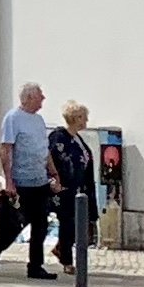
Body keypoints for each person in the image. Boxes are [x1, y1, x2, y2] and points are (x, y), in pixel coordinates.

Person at [0, 81, 61, 279]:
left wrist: (53, 173)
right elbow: (5, 149)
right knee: (15, 224)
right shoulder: (13, 118)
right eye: (40, 95)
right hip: (21, 181)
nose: (43, 98)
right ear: (29, 98)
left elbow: (44, 151)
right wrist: (9, 180)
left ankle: (35, 266)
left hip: (39, 181)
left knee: (41, 225)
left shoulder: (38, 120)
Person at [47, 101, 95, 268]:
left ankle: (61, 248)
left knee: (75, 224)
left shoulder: (77, 138)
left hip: (80, 189)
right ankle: (67, 260)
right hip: (65, 188)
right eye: (84, 117)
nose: (87, 121)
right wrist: (55, 180)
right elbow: (51, 159)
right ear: (76, 118)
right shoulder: (59, 137)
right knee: (68, 223)